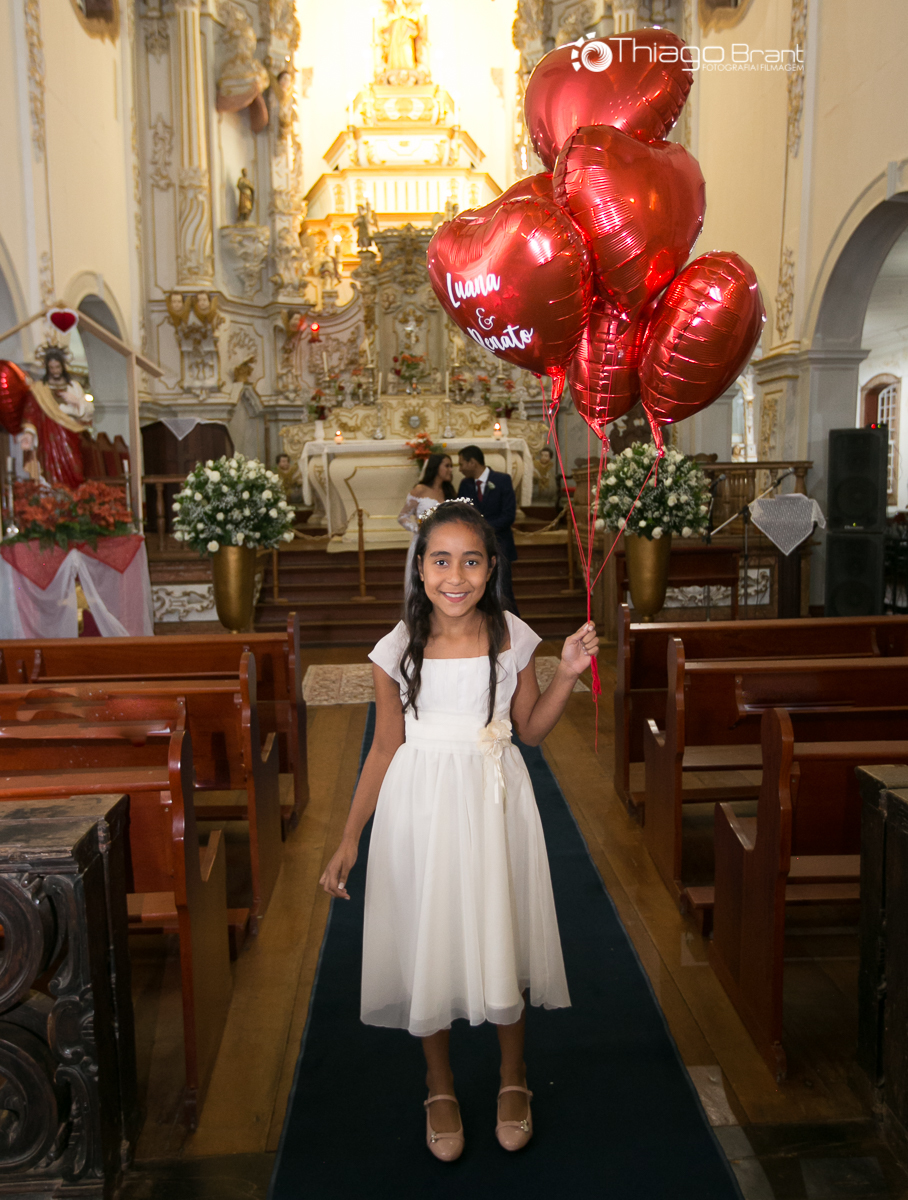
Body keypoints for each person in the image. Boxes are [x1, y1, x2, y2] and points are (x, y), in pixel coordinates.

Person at [320, 500, 598, 1161]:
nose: (456, 576)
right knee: (432, 935)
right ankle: (439, 1082)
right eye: (441, 560)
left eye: (471, 561)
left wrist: (567, 674)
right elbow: (384, 747)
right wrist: (350, 836)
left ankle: (513, 1075)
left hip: (495, 801)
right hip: (420, 804)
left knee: (500, 928)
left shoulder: (511, 636)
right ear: (419, 568)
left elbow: (530, 731)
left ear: (491, 568)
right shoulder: (395, 650)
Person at [457, 445, 520, 613]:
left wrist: (482, 529)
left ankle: (512, 627)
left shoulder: (502, 480)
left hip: (500, 545)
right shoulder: (465, 485)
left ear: (472, 462)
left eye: (462, 464)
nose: (460, 469)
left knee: (503, 591)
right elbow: (462, 513)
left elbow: (508, 515)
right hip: (473, 547)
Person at [18, 349, 93, 488]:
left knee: (74, 464)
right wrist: (29, 433)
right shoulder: (40, 389)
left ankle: (74, 494)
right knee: (50, 467)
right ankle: (53, 494)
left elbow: (88, 413)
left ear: (63, 366)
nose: (55, 371)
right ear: (47, 368)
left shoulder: (74, 387)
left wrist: (77, 402)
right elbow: (30, 413)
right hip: (48, 436)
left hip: (71, 433)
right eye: (51, 368)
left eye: (58, 367)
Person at [397, 453, 455, 594]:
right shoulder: (420, 490)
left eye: (451, 466)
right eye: (447, 466)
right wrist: (418, 529)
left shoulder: (449, 492)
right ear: (436, 467)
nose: (450, 470)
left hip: (445, 543)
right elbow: (402, 516)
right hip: (423, 541)